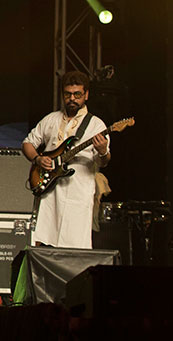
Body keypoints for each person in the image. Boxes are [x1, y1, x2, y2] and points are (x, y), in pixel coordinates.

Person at [21, 70, 111, 248]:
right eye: (68, 94)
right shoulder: (51, 119)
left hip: (78, 194)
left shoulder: (96, 125)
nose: (72, 99)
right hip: (49, 192)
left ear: (86, 95)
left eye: (77, 94)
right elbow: (27, 143)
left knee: (75, 247)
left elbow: (104, 161)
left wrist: (102, 151)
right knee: (44, 244)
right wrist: (38, 159)